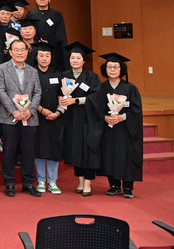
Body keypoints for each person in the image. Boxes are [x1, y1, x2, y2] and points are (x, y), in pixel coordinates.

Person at [0, 39, 42, 197]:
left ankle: (28, 183)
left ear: (28, 52)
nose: (20, 52)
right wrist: (14, 111)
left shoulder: (33, 71)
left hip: (29, 117)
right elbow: (1, 92)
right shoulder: (1, 69)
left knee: (29, 152)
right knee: (9, 151)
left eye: (23, 49)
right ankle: (9, 183)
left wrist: (31, 110)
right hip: (9, 117)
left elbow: (37, 92)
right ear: (10, 52)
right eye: (16, 49)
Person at [58, 41, 102, 197]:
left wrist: (76, 100)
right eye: (72, 58)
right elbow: (59, 94)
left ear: (84, 61)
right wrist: (61, 99)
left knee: (88, 150)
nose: (75, 60)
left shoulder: (91, 77)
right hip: (71, 119)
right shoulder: (64, 75)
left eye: (78, 58)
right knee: (75, 149)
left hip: (88, 118)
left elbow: (96, 97)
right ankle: (80, 181)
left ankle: (88, 182)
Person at [97, 52, 143, 199]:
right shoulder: (101, 88)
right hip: (108, 128)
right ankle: (114, 185)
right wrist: (105, 117)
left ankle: (128, 187)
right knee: (109, 154)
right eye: (109, 67)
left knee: (127, 156)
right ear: (105, 69)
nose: (112, 70)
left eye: (115, 67)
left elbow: (136, 110)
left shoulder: (130, 88)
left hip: (125, 129)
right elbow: (96, 108)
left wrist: (121, 117)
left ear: (121, 69)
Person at [32, 42, 64, 195]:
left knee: (54, 149)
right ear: (36, 57)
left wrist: (57, 112)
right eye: (41, 55)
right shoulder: (31, 73)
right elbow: (28, 95)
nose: (44, 58)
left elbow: (63, 96)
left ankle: (52, 181)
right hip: (36, 117)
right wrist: (42, 110)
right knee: (38, 148)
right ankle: (40, 180)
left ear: (51, 57)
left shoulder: (58, 75)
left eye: (47, 55)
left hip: (55, 118)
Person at [26, 0, 68, 70]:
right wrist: (37, 41)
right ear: (36, 0)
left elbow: (60, 33)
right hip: (35, 48)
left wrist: (49, 42)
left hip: (52, 48)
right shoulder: (31, 14)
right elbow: (27, 30)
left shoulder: (56, 14)